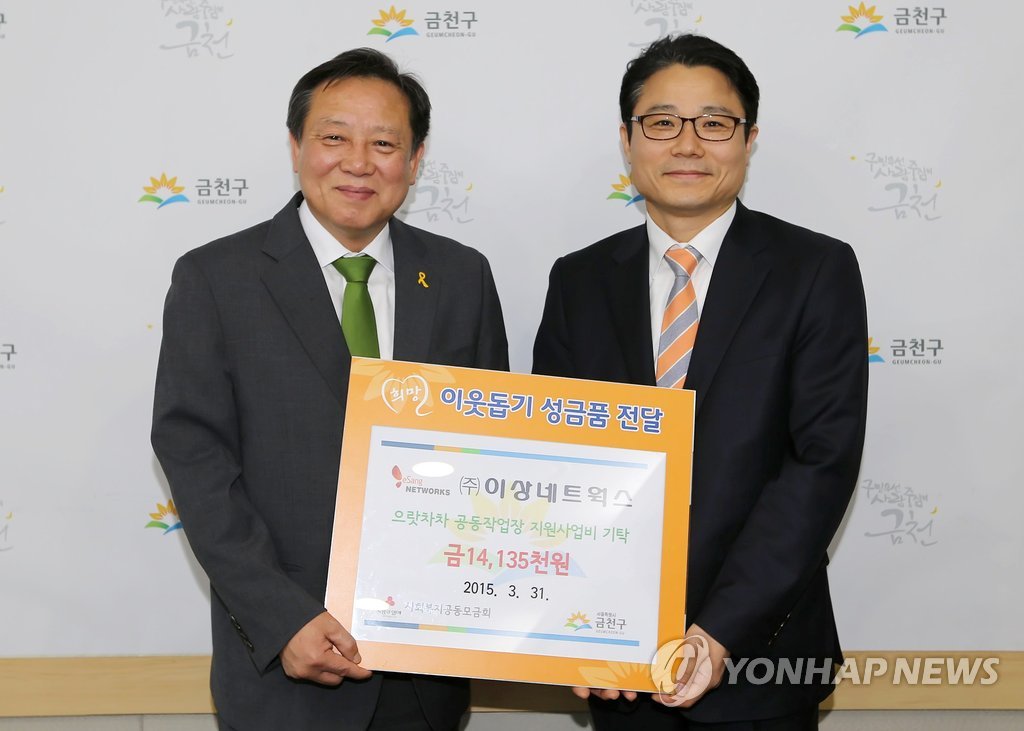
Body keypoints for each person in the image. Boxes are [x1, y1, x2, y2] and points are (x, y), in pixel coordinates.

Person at [152, 48, 508, 731]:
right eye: (334, 137)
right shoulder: (216, 279)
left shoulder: (461, 277)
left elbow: (491, 454)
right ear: (296, 147)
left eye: (385, 144)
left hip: (423, 675)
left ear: (415, 159)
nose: (358, 162)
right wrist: (283, 617)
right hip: (284, 672)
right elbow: (197, 464)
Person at [533, 34, 868, 730]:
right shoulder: (579, 279)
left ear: (749, 140)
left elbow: (820, 465)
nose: (687, 144)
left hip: (759, 661)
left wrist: (718, 633)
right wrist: (574, 623)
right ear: (628, 140)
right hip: (616, 660)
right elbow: (556, 463)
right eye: (662, 122)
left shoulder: (815, 270)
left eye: (714, 123)